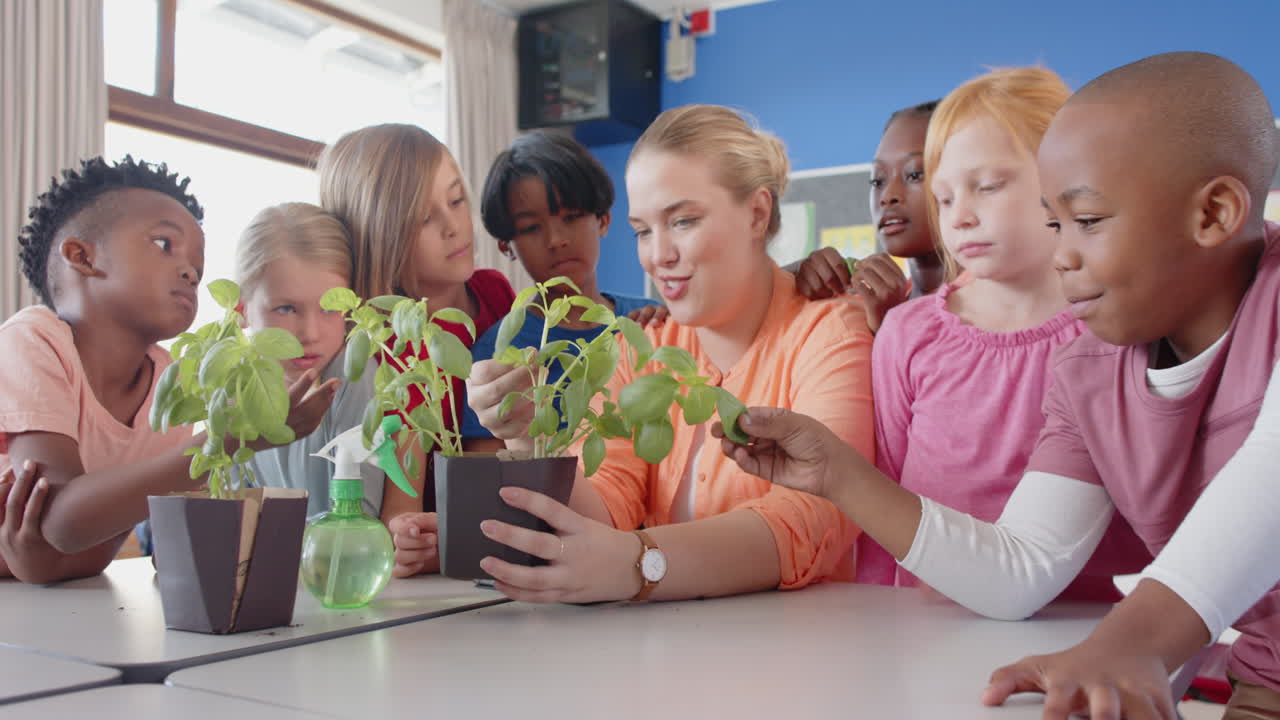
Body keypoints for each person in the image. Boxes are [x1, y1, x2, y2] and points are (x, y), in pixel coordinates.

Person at [716, 52, 1280, 720]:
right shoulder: (1089, 372)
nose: (1064, 252)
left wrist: (1130, 642)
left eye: (1088, 221)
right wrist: (837, 473)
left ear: (1213, 213)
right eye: (1054, 223)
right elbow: (1025, 566)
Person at [0, 157, 335, 584]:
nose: (189, 272)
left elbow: (83, 551)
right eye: (163, 244)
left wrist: (45, 558)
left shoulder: (173, 382)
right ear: (81, 256)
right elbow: (63, 523)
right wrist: (235, 437)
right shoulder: (33, 341)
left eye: (197, 267)